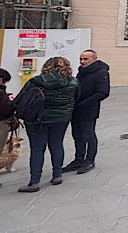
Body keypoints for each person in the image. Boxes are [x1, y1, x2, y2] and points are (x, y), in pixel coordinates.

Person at [15, 57, 80, 193]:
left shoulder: (36, 81)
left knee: (37, 149)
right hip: (62, 118)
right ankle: (57, 175)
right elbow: (77, 98)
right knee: (57, 145)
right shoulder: (74, 82)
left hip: (37, 119)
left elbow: (20, 99)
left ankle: (34, 182)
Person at [63, 50, 110, 175]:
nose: (82, 61)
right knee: (77, 135)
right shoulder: (82, 71)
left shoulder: (101, 72)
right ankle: (78, 159)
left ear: (94, 59)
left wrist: (84, 103)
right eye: (81, 59)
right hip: (76, 109)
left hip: (88, 110)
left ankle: (90, 160)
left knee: (88, 134)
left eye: (85, 59)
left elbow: (103, 92)